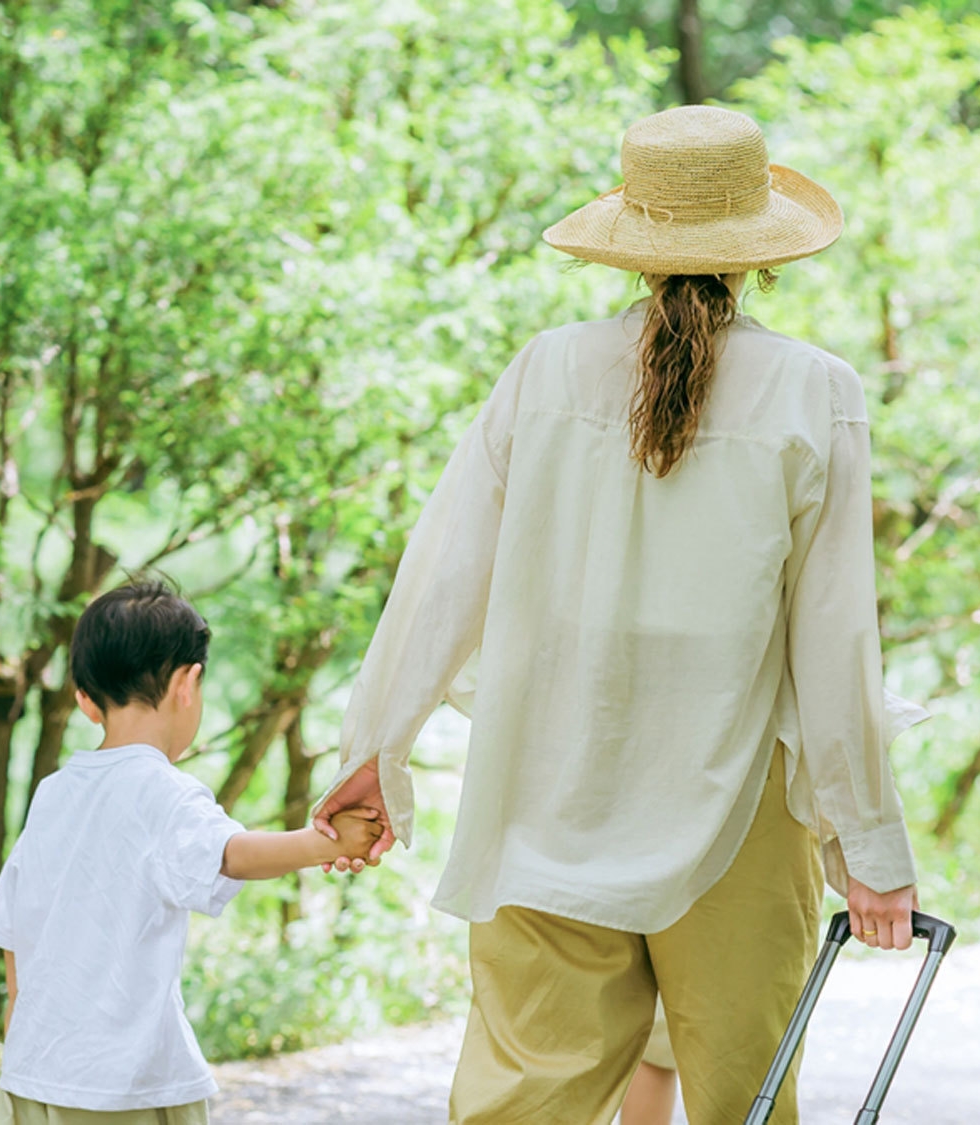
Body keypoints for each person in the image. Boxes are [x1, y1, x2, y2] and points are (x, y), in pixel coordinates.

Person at [312, 105, 928, 1125]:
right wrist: (869, 850)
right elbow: (833, 641)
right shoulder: (813, 391)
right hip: (733, 821)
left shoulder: (543, 372)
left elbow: (439, 578)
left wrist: (375, 746)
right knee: (744, 1106)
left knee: (517, 1110)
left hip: (541, 798)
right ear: (757, 254)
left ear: (631, 246)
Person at [0, 581, 385, 1125]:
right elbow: (230, 854)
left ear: (83, 699)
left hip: (32, 1081)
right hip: (125, 1088)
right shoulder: (162, 789)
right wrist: (322, 843)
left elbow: (12, 935)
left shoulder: (53, 794)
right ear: (188, 684)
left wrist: (21, 1058)